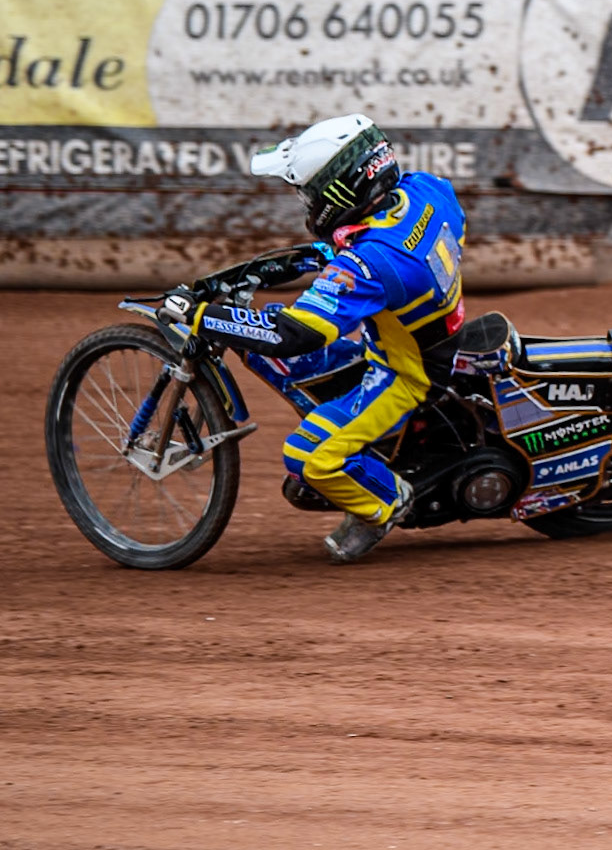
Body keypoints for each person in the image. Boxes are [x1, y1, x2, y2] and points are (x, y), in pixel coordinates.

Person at [158, 115, 466, 563]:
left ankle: (385, 503)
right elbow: (368, 242)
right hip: (423, 332)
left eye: (307, 191)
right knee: (266, 341)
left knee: (308, 458)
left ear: (338, 190)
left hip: (407, 374)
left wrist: (204, 316)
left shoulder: (371, 263)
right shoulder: (424, 191)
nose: (305, 200)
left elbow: (295, 334)